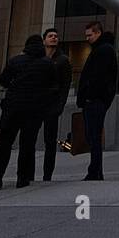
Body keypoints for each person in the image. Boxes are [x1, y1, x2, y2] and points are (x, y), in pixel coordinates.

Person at [0, 35, 56, 190]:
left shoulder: (15, 61)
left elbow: (3, 80)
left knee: (5, 144)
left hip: (13, 107)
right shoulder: (47, 64)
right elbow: (52, 84)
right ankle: (22, 178)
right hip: (33, 109)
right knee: (26, 145)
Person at [75, 22, 118, 182]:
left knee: (93, 136)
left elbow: (99, 78)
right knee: (93, 136)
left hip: (95, 100)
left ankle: (94, 171)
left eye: (89, 35)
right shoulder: (102, 50)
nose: (87, 39)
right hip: (96, 100)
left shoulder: (103, 51)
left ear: (98, 33)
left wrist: (91, 96)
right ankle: (96, 171)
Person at [41, 29, 72, 182]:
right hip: (37, 103)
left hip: (52, 105)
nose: (54, 38)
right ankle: (27, 173)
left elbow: (66, 85)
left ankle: (47, 175)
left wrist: (60, 105)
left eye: (56, 36)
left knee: (50, 141)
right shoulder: (39, 58)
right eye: (50, 36)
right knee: (29, 139)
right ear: (44, 40)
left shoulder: (63, 60)